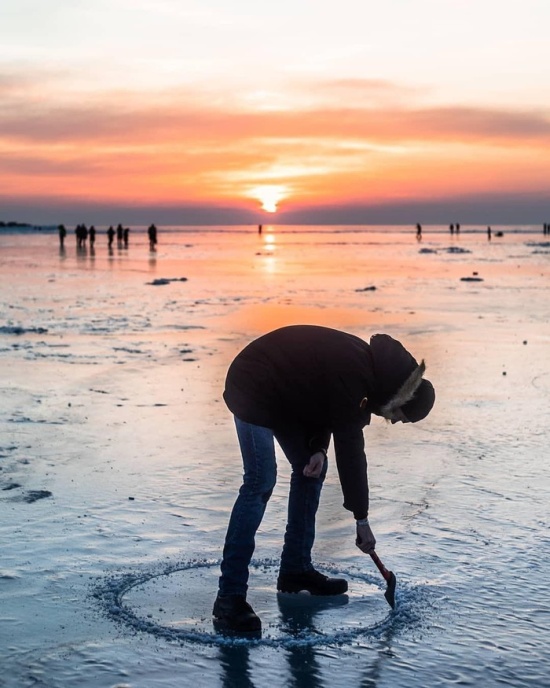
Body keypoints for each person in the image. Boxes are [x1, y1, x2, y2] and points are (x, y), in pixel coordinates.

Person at [213, 325, 436, 633]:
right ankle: (229, 598)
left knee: (311, 467)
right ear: (401, 397)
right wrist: (361, 519)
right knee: (260, 481)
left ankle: (295, 571)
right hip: (254, 384)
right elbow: (350, 448)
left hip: (285, 396)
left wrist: (316, 447)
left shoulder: (368, 376)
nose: (395, 421)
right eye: (400, 415)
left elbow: (320, 403)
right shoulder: (357, 372)